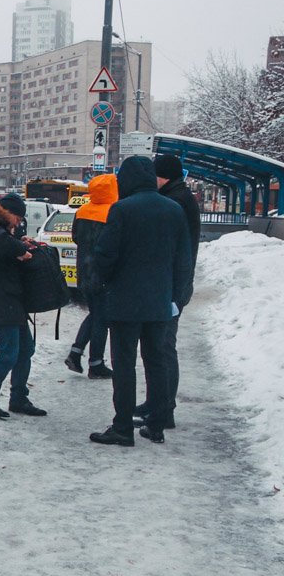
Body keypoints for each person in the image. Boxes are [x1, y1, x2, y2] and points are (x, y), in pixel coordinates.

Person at [89, 156, 193, 446]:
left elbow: (105, 255)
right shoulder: (173, 209)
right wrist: (176, 296)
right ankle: (156, 425)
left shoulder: (122, 209)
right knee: (156, 362)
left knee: (124, 365)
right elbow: (184, 259)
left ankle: (123, 428)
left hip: (125, 302)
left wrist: (103, 281)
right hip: (160, 302)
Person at [135, 154, 201, 429]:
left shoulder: (176, 202)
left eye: (155, 175)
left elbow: (173, 249)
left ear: (165, 177)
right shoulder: (179, 197)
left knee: (162, 348)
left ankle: (164, 409)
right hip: (172, 284)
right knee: (158, 347)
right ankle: (156, 403)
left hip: (171, 286)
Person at [0, 193, 45, 419]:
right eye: (18, 218)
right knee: (9, 353)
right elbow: (0, 242)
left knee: (25, 349)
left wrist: (19, 243)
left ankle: (19, 398)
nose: (19, 223)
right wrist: (20, 250)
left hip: (10, 298)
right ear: (8, 213)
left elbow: (3, 243)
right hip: (0, 299)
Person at [65, 174, 117, 379]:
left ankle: (76, 353)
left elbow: (76, 237)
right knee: (101, 318)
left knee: (95, 314)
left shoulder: (82, 211)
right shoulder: (113, 212)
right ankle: (95, 364)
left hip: (84, 272)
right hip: (104, 273)